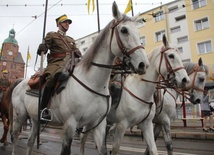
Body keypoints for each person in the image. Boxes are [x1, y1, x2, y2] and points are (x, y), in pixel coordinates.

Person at [37, 14, 81, 122]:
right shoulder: (51, 35)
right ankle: (43, 110)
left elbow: (76, 51)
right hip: (56, 62)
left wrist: (77, 52)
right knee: (52, 77)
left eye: (68, 23)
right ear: (59, 24)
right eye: (65, 22)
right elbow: (45, 49)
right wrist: (41, 48)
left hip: (69, 63)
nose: (67, 24)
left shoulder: (71, 39)